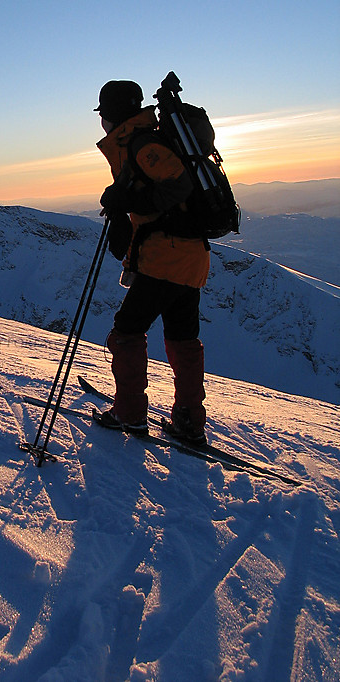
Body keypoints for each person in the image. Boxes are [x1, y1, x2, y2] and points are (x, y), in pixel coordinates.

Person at [92, 79, 210, 445]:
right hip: (190, 260)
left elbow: (177, 188)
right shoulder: (143, 140)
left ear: (111, 115)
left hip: (165, 259)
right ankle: (189, 423)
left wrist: (129, 200)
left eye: (103, 115)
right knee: (183, 339)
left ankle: (129, 413)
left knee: (126, 333)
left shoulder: (143, 145)